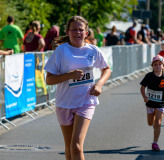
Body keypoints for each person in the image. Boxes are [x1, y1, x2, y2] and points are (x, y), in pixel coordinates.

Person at [44, 16, 111, 160]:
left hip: (86, 101)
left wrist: (99, 84)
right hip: (64, 102)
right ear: (67, 32)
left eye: (81, 30)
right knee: (69, 148)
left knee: (76, 146)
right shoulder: (61, 51)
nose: (77, 32)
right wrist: (68, 75)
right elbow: (49, 79)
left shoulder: (93, 50)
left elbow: (106, 69)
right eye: (74, 29)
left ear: (86, 33)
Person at [140, 55, 164, 151]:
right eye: (155, 64)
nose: (158, 66)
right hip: (150, 102)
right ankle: (154, 124)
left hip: (161, 103)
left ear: (163, 66)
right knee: (150, 123)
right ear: (152, 66)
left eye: (160, 64)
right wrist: (145, 97)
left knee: (158, 122)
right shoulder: (149, 76)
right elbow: (142, 88)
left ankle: (155, 143)